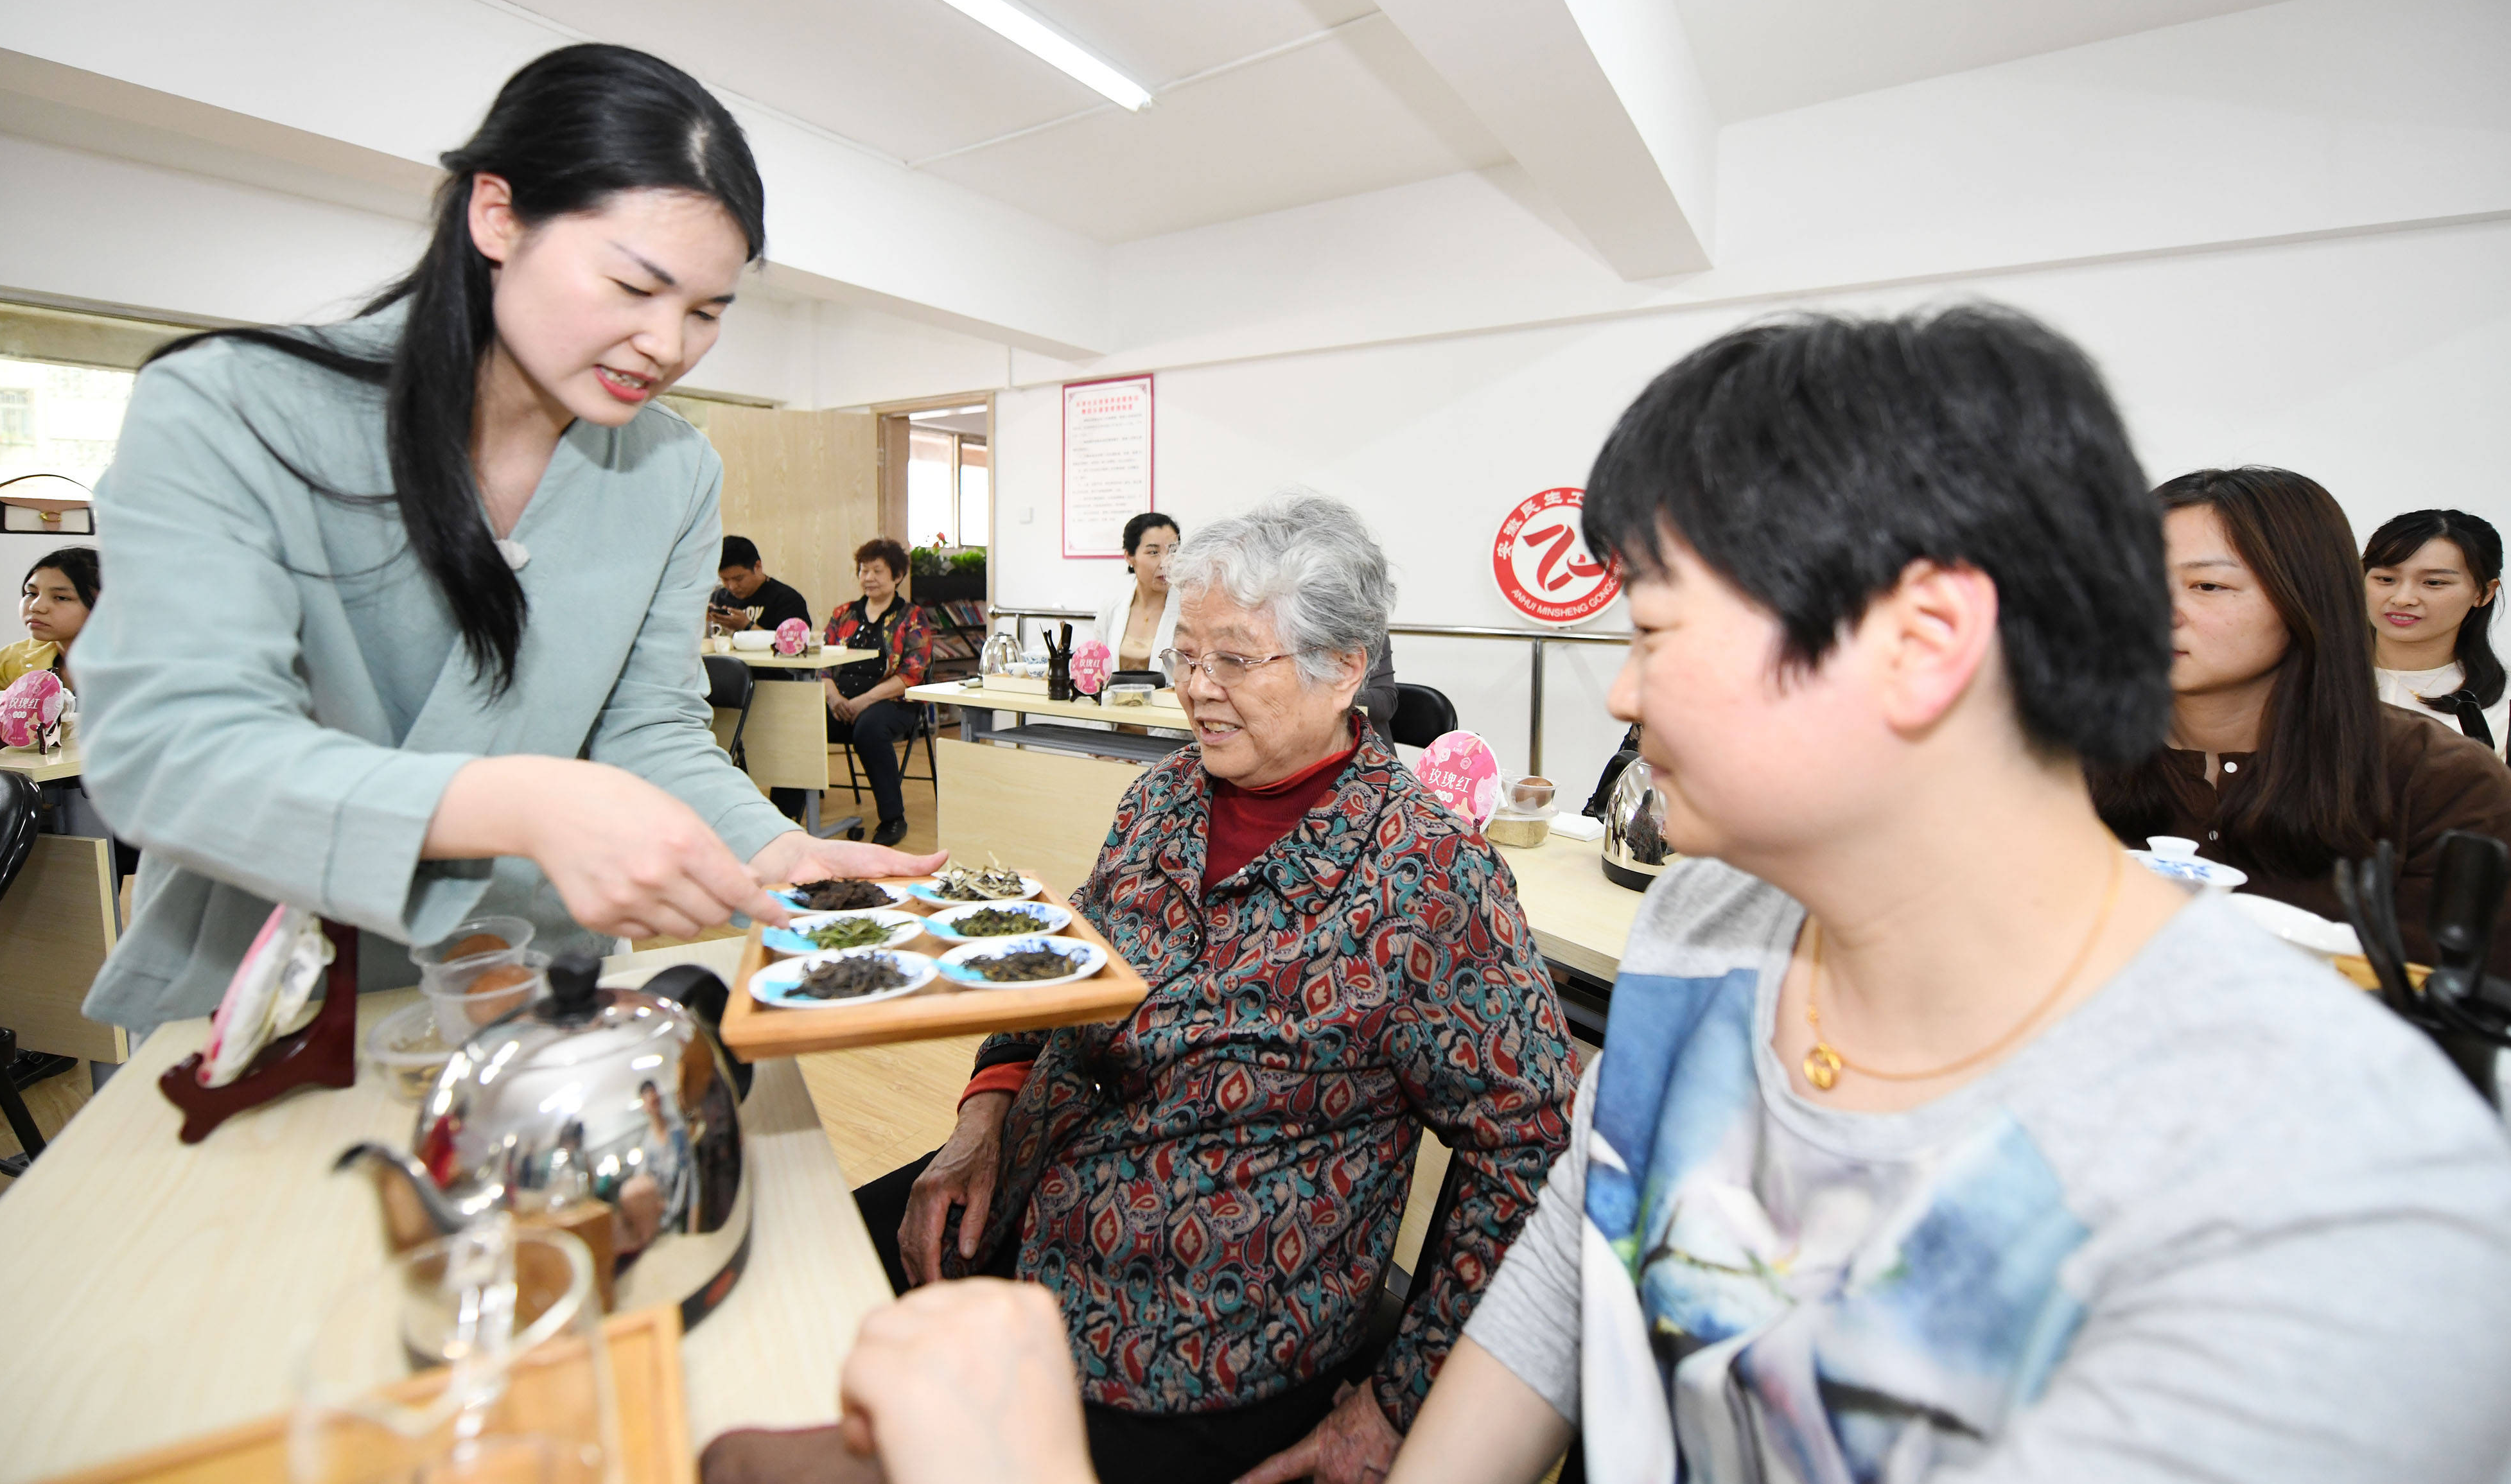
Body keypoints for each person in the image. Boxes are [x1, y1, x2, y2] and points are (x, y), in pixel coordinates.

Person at [834, 310, 2511, 1484]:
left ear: (1920, 643)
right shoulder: (1721, 931)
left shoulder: (2333, 1199)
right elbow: (1580, 1250)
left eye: (1649, 628)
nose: (1619, 697)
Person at [71, 44, 936, 1036]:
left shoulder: (674, 469)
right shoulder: (232, 405)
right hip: (266, 998)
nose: (668, 344)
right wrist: (518, 803)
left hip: (530, 986)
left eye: (706, 311)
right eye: (632, 286)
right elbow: (170, 749)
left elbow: (645, 727)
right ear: (497, 215)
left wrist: (769, 843)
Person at [855, 491, 1576, 1484]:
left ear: (1345, 670)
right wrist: (981, 1121)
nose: (1196, 688)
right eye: (1185, 655)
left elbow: (1530, 1149)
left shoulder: (1432, 877)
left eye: (1233, 659)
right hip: (1020, 1201)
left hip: (1194, 1333)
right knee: (798, 1292)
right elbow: (1060, 959)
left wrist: (1405, 1401)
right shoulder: (1163, 796)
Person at [2095, 469, 2511, 971]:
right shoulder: (2055, 757)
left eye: (2208, 584)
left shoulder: (2441, 780)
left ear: (2305, 598)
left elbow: (2458, 1012)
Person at [2364, 509, 2506, 758]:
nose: (2403, 599)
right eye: (2386, 579)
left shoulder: (2503, 708)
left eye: (2433, 583)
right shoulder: (2306, 681)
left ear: (2483, 593)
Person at [821, 539, 932, 848]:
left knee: (868, 729)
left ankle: (893, 817)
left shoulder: (912, 617)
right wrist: (834, 699)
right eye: (863, 570)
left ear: (897, 576)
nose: (868, 577)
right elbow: (821, 664)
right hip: (841, 701)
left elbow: (912, 674)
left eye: (877, 571)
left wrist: (863, 702)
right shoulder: (843, 614)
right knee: (800, 721)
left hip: (894, 701)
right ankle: (785, 815)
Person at [0, 545, 98, 689]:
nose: (36, 607)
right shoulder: (26, 655)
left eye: (61, 598)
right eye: (32, 593)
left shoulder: (131, 667)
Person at [1087, 512, 1182, 671]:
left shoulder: (1187, 610)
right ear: (1130, 557)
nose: (1167, 563)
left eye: (1173, 551)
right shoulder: (1111, 609)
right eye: (1153, 552)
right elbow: (1099, 671)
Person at [709, 534, 810, 634]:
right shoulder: (718, 598)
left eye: (739, 578)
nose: (732, 587)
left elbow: (794, 645)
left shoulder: (787, 600)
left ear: (757, 566)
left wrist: (747, 626)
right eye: (725, 579)